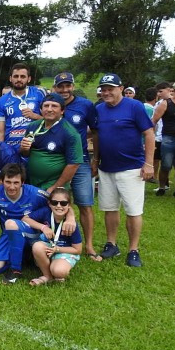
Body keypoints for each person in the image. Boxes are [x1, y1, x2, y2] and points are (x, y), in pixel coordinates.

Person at [94, 74, 155, 267]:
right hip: (106, 168)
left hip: (132, 168)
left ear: (121, 88)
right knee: (110, 208)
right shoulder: (99, 109)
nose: (106, 92)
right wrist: (96, 159)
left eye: (110, 88)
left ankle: (133, 249)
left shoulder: (134, 106)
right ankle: (112, 244)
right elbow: (96, 136)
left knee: (133, 210)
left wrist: (149, 163)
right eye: (103, 89)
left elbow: (148, 133)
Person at [52, 72, 100, 259]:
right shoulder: (52, 104)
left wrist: (95, 158)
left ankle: (88, 245)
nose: (64, 90)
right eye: (60, 86)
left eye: (67, 86)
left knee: (85, 203)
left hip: (80, 162)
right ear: (55, 87)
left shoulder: (85, 105)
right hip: (58, 161)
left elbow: (95, 132)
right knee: (56, 201)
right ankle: (56, 239)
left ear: (73, 86)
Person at [19, 93, 83, 193]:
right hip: (32, 182)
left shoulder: (70, 133)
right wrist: (24, 148)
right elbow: (25, 154)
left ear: (62, 111)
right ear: (41, 109)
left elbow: (74, 164)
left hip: (53, 184)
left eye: (54, 106)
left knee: (56, 208)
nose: (49, 109)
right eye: (46, 106)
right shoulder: (32, 126)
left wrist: (54, 188)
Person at [25, 187, 82, 286]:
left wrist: (57, 249)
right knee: (37, 246)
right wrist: (43, 227)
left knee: (59, 272)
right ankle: (47, 276)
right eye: (55, 202)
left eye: (63, 203)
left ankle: (56, 268)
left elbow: (77, 250)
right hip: (49, 247)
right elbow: (25, 219)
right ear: (49, 204)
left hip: (64, 250)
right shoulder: (46, 212)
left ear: (69, 205)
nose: (59, 206)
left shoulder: (71, 225)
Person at [0, 63, 44, 146]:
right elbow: (0, 130)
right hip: (11, 147)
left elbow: (50, 120)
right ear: (10, 78)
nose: (19, 79)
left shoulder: (38, 94)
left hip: (35, 146)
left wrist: (35, 116)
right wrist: (1, 149)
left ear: (29, 79)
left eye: (23, 76)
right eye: (16, 76)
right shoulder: (2, 101)